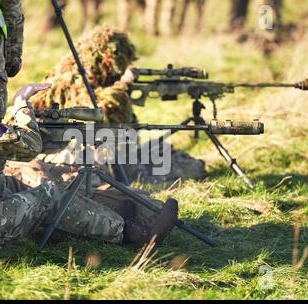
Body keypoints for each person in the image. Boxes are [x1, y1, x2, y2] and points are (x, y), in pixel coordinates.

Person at [0, 47, 179, 247]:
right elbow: (28, 147)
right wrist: (21, 106)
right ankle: (129, 233)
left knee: (15, 187)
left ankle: (108, 214)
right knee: (47, 196)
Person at [23, 26, 206, 185]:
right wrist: (122, 86)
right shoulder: (72, 78)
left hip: (87, 150)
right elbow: (96, 110)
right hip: (59, 154)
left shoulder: (93, 76)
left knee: (171, 159)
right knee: (142, 166)